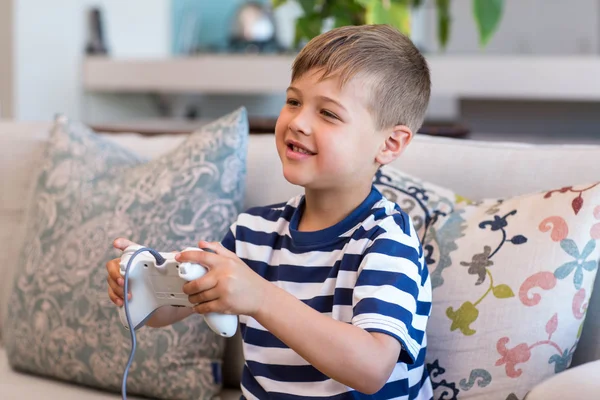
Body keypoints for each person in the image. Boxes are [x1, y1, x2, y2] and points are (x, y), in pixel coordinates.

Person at [107, 24, 433, 399]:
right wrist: (142, 283)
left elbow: (372, 368)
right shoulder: (252, 231)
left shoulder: (387, 242)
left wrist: (259, 297)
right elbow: (171, 311)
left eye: (328, 113)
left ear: (390, 143)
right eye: (293, 101)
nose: (297, 122)